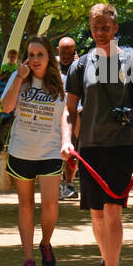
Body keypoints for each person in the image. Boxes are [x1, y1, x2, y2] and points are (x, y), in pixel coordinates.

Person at [62, 2, 133, 266]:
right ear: (90, 30)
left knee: (113, 209)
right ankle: (109, 259)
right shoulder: (80, 66)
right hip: (88, 146)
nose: (100, 32)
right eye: (95, 28)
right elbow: (69, 111)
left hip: (120, 146)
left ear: (115, 28)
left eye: (105, 27)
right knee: (97, 215)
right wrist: (67, 141)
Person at [1, 36, 65, 266]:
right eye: (32, 54)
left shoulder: (62, 82)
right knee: (25, 205)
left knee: (50, 205)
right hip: (22, 150)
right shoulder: (19, 78)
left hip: (51, 150)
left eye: (41, 54)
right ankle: (28, 258)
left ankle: (45, 242)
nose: (36, 59)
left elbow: (69, 117)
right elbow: (7, 107)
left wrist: (72, 145)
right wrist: (19, 77)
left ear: (49, 57)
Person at [57, 36, 80, 201]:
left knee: (73, 153)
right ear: (58, 51)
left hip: (74, 116)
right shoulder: (50, 67)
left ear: (74, 52)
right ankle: (57, 186)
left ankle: (69, 184)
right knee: (55, 154)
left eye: (69, 52)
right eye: (63, 51)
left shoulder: (81, 67)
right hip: (53, 118)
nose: (66, 55)